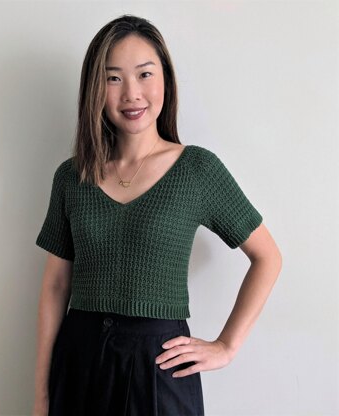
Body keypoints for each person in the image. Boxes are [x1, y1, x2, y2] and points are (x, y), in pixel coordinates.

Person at [32, 14, 282, 416]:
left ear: (165, 78)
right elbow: (56, 286)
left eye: (144, 74)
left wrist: (226, 346)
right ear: (95, 88)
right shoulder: (72, 177)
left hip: (160, 366)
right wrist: (42, 395)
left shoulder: (197, 170)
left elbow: (268, 257)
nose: (131, 93)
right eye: (113, 78)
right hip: (80, 364)